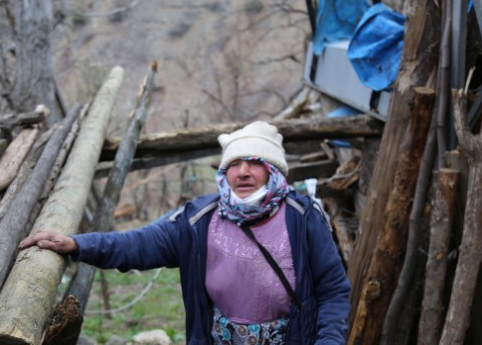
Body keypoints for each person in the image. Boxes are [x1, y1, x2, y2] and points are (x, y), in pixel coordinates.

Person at [19, 121, 351, 344]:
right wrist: (77, 244)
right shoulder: (199, 221)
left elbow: (334, 292)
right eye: (234, 164)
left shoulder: (302, 217)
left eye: (254, 162)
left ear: (273, 170)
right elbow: (138, 245)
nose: (243, 172)